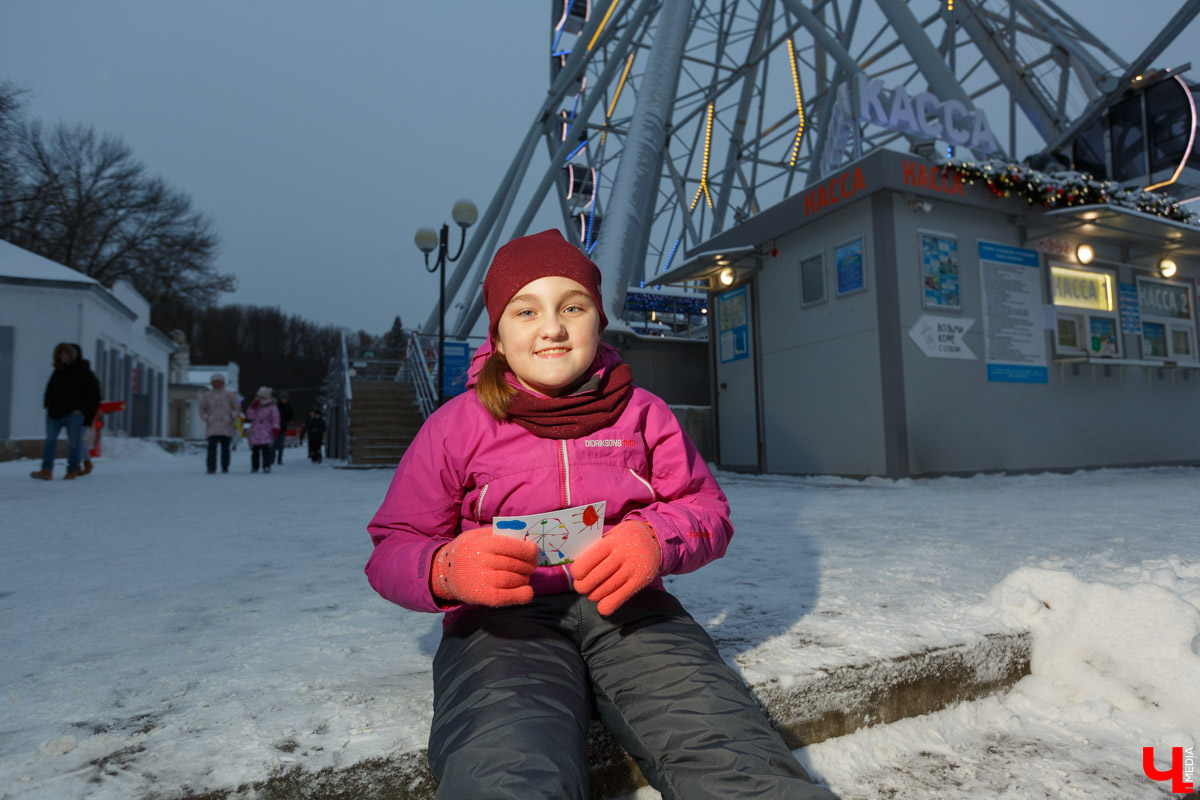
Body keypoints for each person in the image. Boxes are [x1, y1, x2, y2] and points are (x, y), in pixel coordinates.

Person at [364, 230, 836, 799]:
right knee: (505, 769)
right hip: (501, 628)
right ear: (498, 332)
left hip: (632, 611)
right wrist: (444, 568)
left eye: (573, 306)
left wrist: (655, 540)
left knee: (726, 749)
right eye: (526, 310)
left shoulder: (643, 414)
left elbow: (706, 509)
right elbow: (394, 544)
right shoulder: (454, 426)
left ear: (598, 318)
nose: (552, 327)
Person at [31, 343, 94, 481]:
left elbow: (89, 393)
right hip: (54, 414)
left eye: (65, 353)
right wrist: (47, 404)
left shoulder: (81, 372)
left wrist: (80, 409)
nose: (62, 356)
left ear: (71, 355)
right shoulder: (57, 371)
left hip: (73, 414)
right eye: (60, 353)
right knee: (50, 441)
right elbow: (50, 388)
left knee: (74, 444)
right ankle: (46, 470)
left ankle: (72, 470)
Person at [199, 373, 240, 473]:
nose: (217, 384)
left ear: (222, 383)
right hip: (212, 425)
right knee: (211, 448)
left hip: (226, 424)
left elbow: (237, 408)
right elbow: (202, 409)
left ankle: (225, 466)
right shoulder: (207, 395)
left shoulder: (229, 395)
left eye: (219, 382)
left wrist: (233, 416)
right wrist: (206, 418)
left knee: (225, 448)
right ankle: (211, 467)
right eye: (215, 382)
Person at [245, 386, 280, 473]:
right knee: (255, 451)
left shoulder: (272, 406)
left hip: (266, 431)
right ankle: (255, 466)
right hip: (256, 431)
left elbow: (275, 418)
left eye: (262, 396)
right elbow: (250, 416)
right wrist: (252, 408)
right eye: (259, 396)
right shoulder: (255, 405)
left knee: (266, 450)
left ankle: (266, 466)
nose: (260, 398)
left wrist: (275, 427)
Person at [273, 391, 294, 465]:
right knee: (274, 444)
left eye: (285, 399)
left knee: (281, 444)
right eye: (283, 399)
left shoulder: (288, 406)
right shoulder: (276, 406)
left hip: (283, 427)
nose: (284, 400)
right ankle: (273, 458)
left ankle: (279, 458)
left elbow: (291, 416)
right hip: (275, 427)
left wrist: (287, 422)